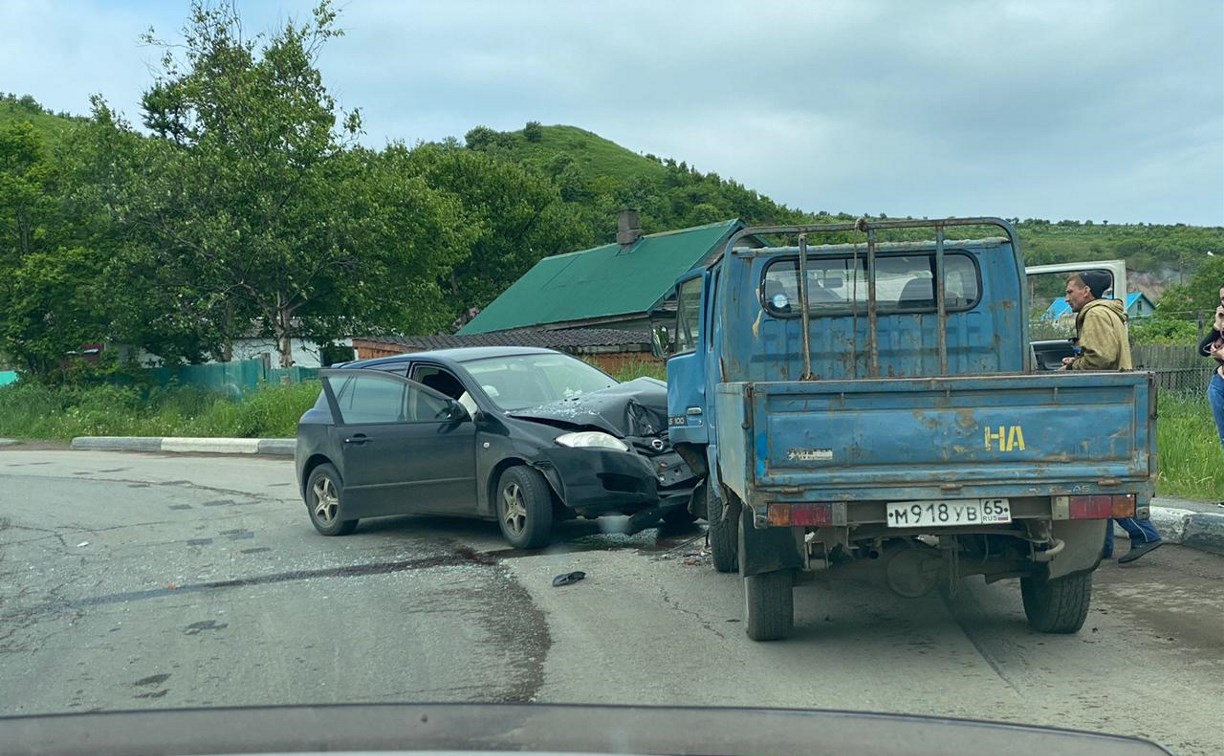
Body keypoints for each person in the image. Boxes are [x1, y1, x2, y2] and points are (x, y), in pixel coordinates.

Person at [1062, 271, 1161, 563]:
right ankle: (1101, 547)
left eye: (1070, 291)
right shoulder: (1108, 312)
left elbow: (1101, 358)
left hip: (1101, 405)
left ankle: (1144, 533)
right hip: (1114, 404)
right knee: (1101, 476)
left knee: (1098, 477)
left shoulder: (1094, 315)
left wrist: (1072, 367)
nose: (1067, 297)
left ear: (1087, 291)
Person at [1196, 285, 1224, 450]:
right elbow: (1203, 350)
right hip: (1220, 383)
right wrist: (1216, 324)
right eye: (1222, 299)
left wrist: (1221, 355)